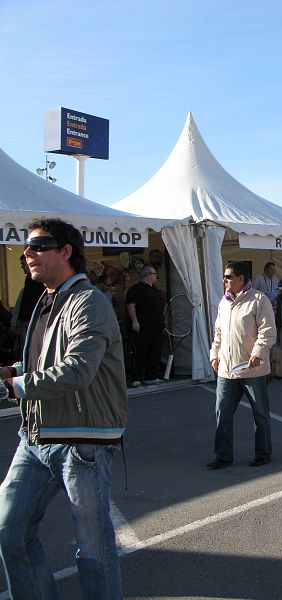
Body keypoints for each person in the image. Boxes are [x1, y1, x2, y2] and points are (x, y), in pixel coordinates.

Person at [0, 218, 127, 599]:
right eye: (27, 248)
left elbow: (77, 369)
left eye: (39, 246)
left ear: (66, 251)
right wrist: (15, 370)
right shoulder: (48, 300)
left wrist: (14, 385)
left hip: (81, 439)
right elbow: (47, 360)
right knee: (10, 530)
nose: (28, 254)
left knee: (93, 547)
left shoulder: (89, 302)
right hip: (37, 435)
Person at [208, 261, 276, 469]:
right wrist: (214, 355)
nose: (225, 280)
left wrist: (257, 353)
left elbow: (268, 331)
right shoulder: (224, 303)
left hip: (252, 368)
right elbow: (218, 333)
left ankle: (263, 454)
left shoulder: (258, 299)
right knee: (222, 413)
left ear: (241, 278)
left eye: (228, 277)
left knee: (260, 413)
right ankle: (223, 456)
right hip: (227, 370)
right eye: (224, 277)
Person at [125, 265, 165, 386]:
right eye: (154, 274)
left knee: (155, 350)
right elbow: (130, 305)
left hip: (156, 326)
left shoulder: (155, 289)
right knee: (141, 351)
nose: (156, 276)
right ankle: (136, 377)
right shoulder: (136, 289)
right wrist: (134, 321)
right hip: (143, 326)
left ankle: (151, 376)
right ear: (148, 275)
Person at [10, 254, 45, 358]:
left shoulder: (36, 281)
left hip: (32, 322)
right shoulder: (30, 281)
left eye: (23, 264)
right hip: (29, 321)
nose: (22, 267)